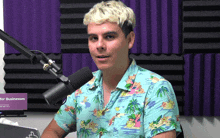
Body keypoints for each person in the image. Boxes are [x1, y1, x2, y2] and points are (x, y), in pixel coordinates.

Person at [41, 0, 182, 138]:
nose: (99, 45)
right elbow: (52, 131)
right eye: (93, 38)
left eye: (109, 37)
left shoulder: (156, 88)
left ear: (130, 39)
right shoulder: (81, 88)